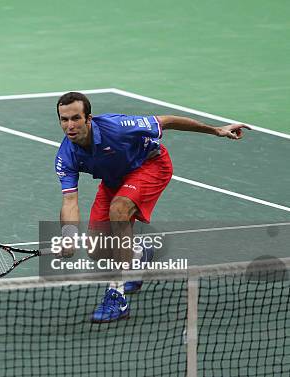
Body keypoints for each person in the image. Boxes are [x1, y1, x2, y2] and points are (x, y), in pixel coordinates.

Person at [54, 91, 249, 323]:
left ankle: (117, 295)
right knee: (96, 250)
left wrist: (216, 130)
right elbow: (69, 201)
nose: (70, 125)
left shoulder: (117, 127)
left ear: (88, 118)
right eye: (64, 120)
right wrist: (68, 235)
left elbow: (166, 121)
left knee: (119, 210)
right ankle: (139, 253)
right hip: (115, 180)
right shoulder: (66, 156)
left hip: (151, 166)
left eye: (75, 118)